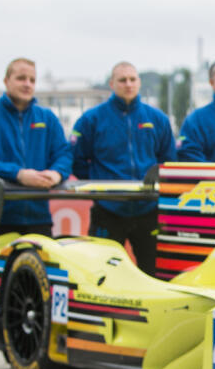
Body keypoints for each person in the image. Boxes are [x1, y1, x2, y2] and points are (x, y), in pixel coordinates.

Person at [71, 62, 175, 276]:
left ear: (139, 82)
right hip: (108, 211)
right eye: (122, 80)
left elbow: (169, 162)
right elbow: (78, 161)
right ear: (111, 83)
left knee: (154, 274)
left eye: (132, 79)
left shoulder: (157, 119)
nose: (128, 84)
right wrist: (102, 188)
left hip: (149, 210)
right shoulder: (91, 119)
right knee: (102, 274)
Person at [0, 57, 72, 236]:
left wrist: (56, 174)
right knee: (1, 265)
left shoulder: (47, 118)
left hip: (39, 217)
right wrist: (19, 175)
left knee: (40, 264)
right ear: (6, 81)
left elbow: (64, 155)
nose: (27, 84)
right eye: (21, 78)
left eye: (32, 80)